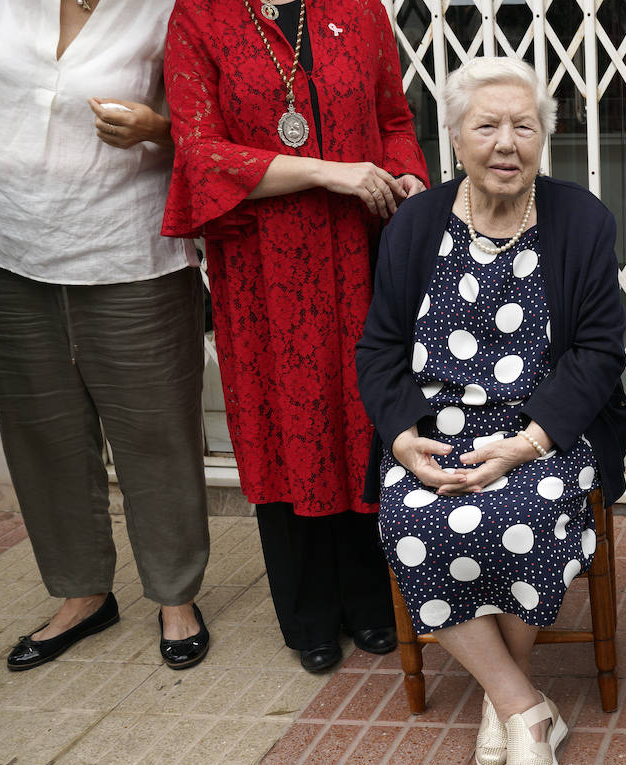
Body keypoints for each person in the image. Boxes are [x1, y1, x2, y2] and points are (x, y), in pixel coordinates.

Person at [356, 58, 626, 765]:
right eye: (487, 126)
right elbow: (380, 346)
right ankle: (520, 702)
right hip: (437, 427)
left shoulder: (582, 220)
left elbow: (602, 349)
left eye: (525, 126)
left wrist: (529, 442)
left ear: (545, 136)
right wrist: (404, 437)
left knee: (526, 511)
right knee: (412, 517)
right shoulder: (416, 225)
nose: (507, 143)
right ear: (455, 137)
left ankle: (497, 697)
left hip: (546, 429)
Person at [163, 0, 429, 673]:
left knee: (361, 417)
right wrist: (325, 169)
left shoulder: (358, 9)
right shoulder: (201, 16)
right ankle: (308, 613)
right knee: (285, 424)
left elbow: (395, 121)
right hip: (262, 267)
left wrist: (405, 177)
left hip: (358, 256)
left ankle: (371, 600)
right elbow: (200, 152)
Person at [0, 0, 210, 672]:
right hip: (7, 248)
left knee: (155, 433)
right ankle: (82, 594)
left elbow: (213, 131)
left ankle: (176, 597)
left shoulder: (166, 9)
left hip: (129, 252)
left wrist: (156, 129)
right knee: (41, 433)